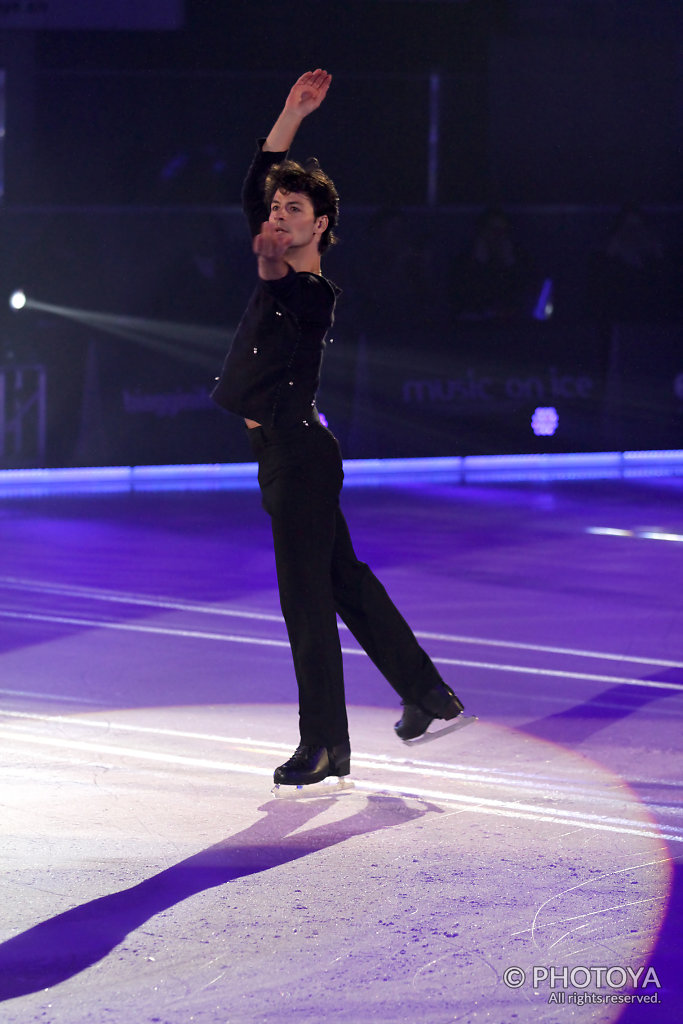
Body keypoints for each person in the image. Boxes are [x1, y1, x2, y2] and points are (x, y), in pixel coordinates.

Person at [212, 70, 464, 787]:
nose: (278, 217)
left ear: (319, 225)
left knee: (307, 603)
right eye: (275, 209)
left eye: (293, 210)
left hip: (297, 457)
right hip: (291, 454)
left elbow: (274, 276)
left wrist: (267, 257)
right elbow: (256, 183)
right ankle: (426, 692)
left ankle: (322, 744)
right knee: (343, 581)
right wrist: (291, 111)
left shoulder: (306, 291)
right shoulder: (284, 263)